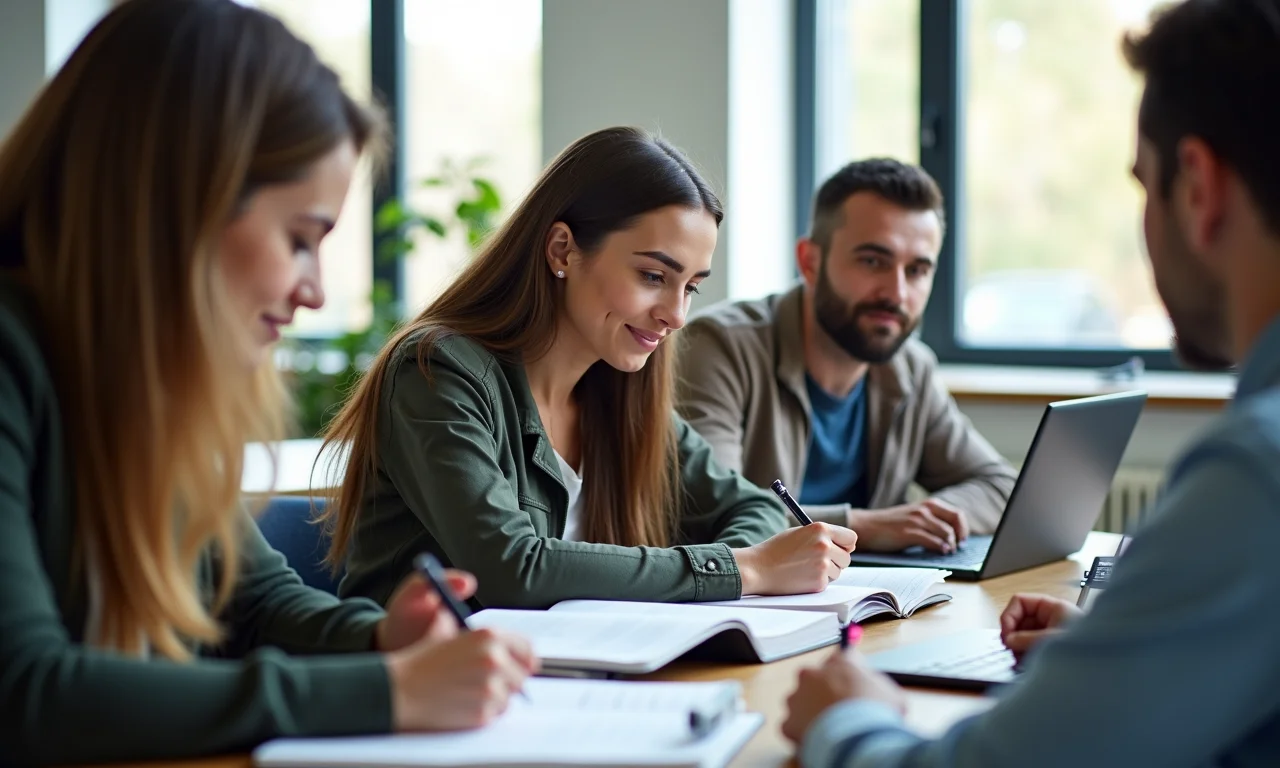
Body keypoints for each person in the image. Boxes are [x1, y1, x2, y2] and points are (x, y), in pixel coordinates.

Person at [0, 1, 536, 764]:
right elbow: (25, 693)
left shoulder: (148, 389)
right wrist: (391, 691)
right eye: (299, 240)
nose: (314, 291)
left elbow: (253, 606)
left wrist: (382, 639)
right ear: (180, 201)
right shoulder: (16, 358)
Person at [783, 0, 1280, 765]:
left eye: (1143, 186)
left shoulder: (1255, 477)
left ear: (1199, 187)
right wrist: (1123, 650)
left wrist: (849, 720)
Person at [320, 126, 859, 610]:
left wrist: (755, 561)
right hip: (430, 695)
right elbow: (512, 570)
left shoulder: (618, 389)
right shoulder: (437, 372)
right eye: (653, 275)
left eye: (691, 287)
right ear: (562, 249)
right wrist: (748, 569)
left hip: (571, 683)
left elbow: (750, 506)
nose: (675, 314)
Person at [677, 159, 1016, 554]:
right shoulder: (718, 347)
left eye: (918, 270)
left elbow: (1001, 487)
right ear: (810, 261)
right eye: (873, 261)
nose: (897, 293)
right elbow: (712, 513)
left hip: (871, 606)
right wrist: (864, 527)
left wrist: (928, 519)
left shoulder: (910, 367)